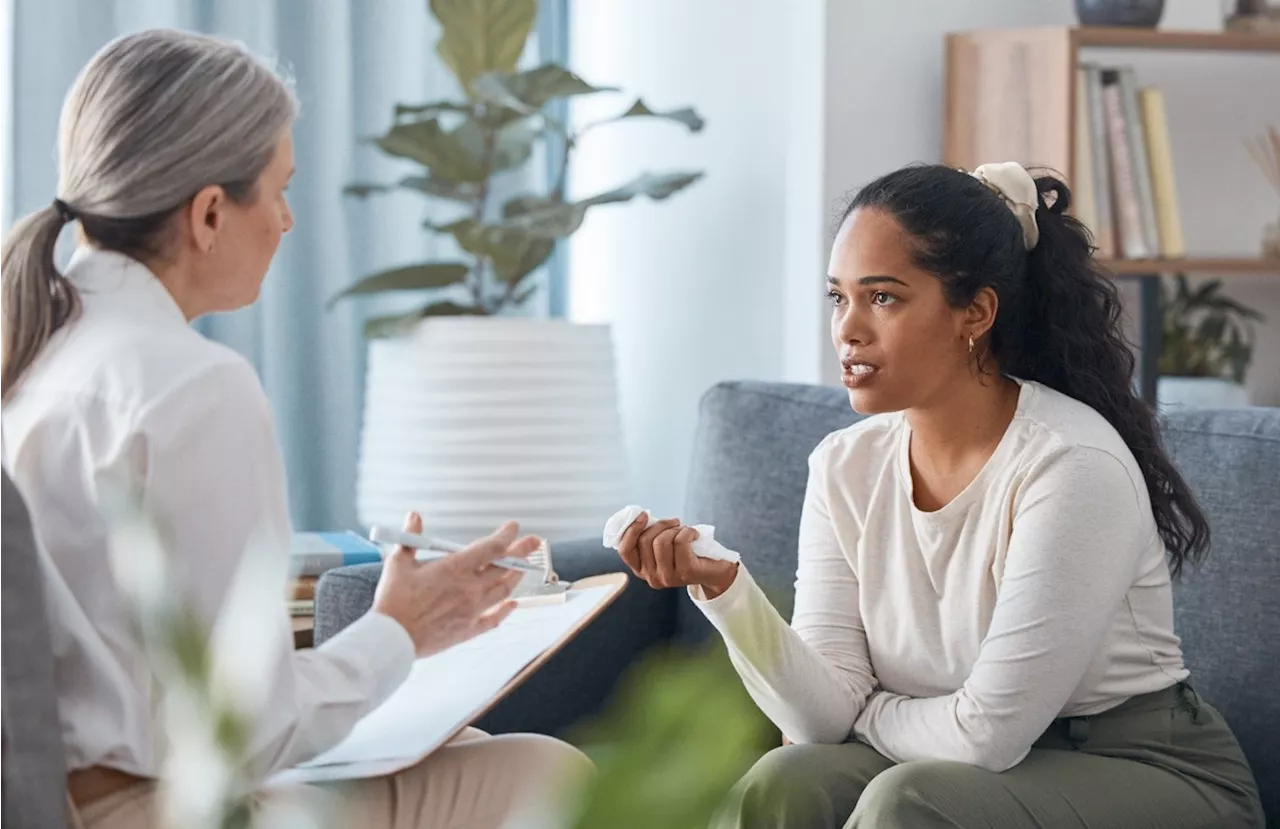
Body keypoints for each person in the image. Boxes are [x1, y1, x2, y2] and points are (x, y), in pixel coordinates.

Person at [0, 29, 590, 829]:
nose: (285, 221)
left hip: (77, 798)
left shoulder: (34, 352)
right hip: (159, 810)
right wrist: (402, 628)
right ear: (209, 212)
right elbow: (243, 730)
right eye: (278, 190)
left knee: (467, 747)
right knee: (549, 773)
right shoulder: (194, 386)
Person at [613, 162, 1266, 828]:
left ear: (975, 312)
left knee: (911, 799)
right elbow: (817, 721)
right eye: (838, 297)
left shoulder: (1071, 463)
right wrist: (725, 590)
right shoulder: (844, 464)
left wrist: (868, 714)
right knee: (786, 778)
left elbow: (986, 734)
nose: (848, 329)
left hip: (1147, 770)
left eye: (884, 297)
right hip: (954, 757)